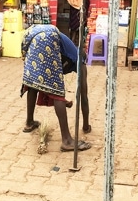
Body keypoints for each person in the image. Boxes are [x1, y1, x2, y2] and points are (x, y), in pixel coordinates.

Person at [20, 24, 92, 152]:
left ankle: (29, 122)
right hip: (48, 38)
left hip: (31, 38)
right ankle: (67, 141)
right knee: (57, 90)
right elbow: (84, 97)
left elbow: (44, 80)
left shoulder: (66, 50)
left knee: (33, 83)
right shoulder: (79, 60)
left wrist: (64, 103)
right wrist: (86, 126)